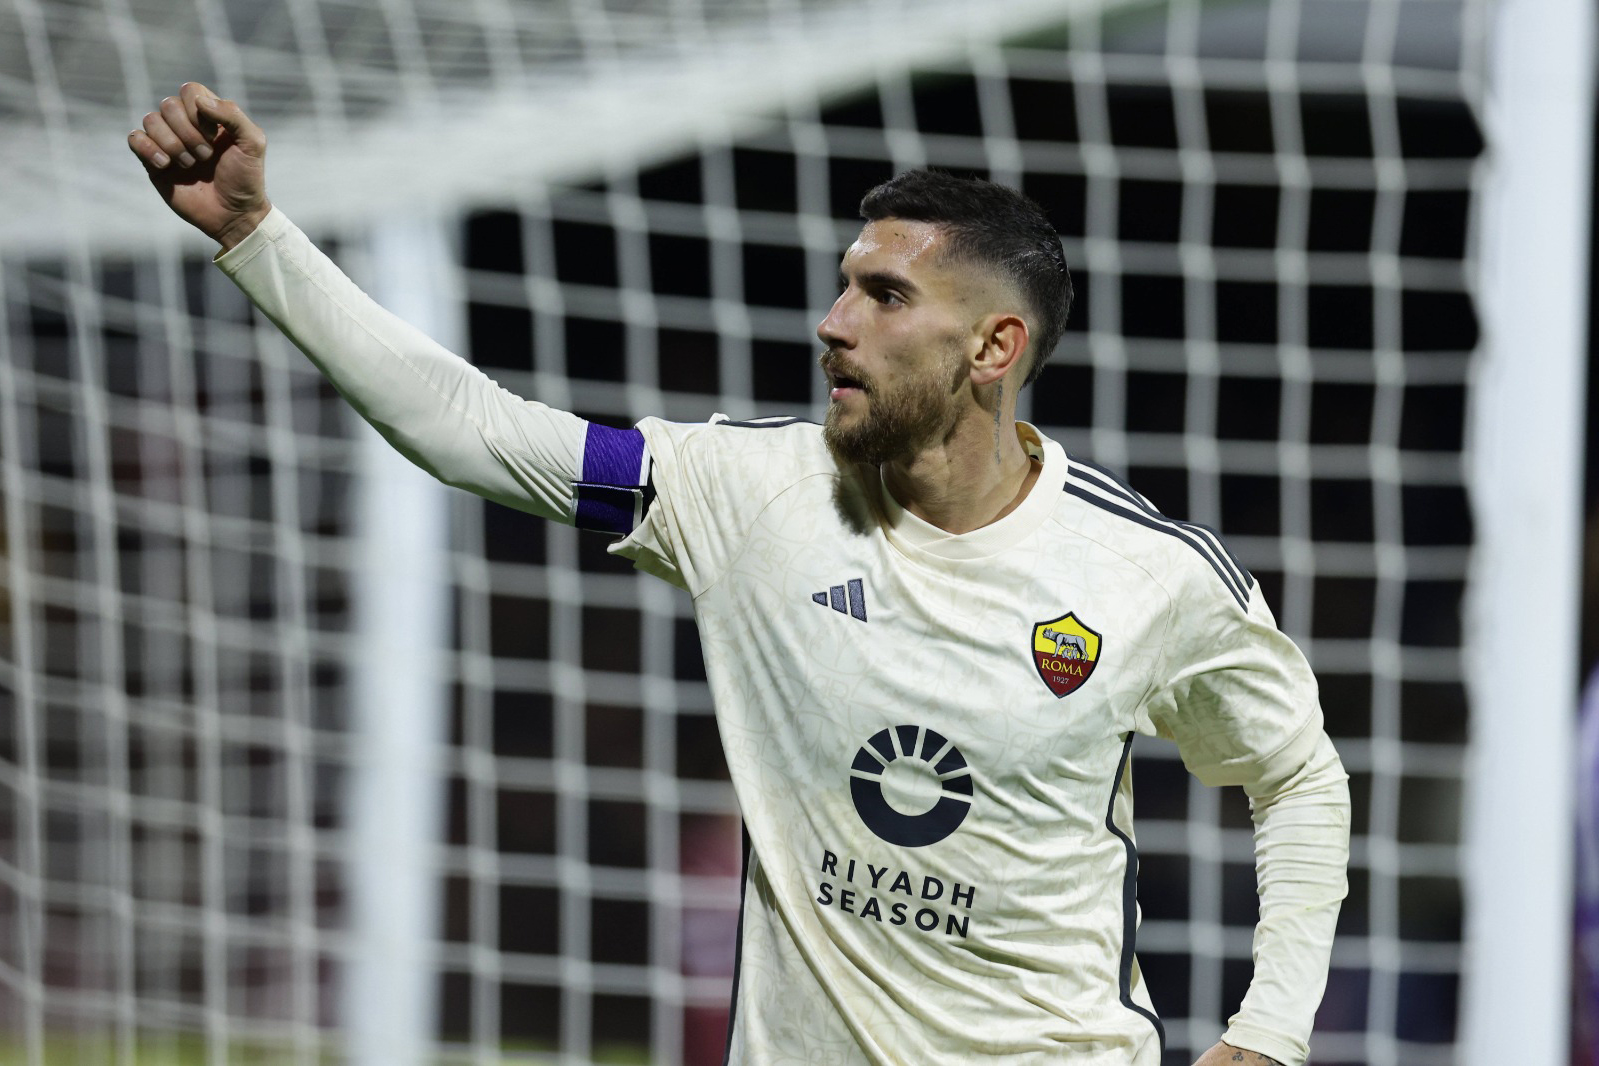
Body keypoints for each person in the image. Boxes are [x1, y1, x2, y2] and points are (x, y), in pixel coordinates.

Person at [128, 82, 1350, 1066]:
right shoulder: (748, 493)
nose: (834, 322)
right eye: (843, 285)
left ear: (995, 346)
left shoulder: (1148, 575)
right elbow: (473, 429)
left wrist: (1268, 1032)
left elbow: (1296, 774)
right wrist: (255, 236)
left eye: (884, 295)